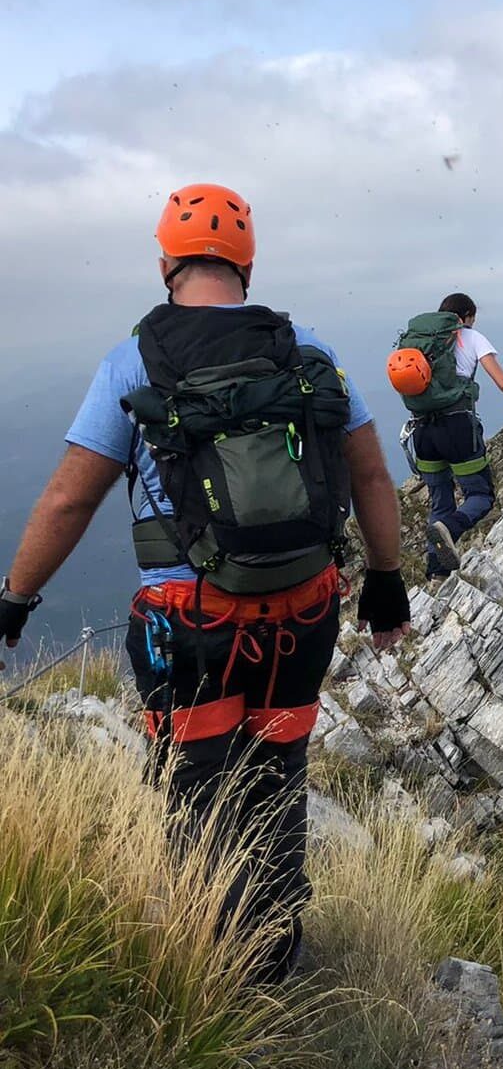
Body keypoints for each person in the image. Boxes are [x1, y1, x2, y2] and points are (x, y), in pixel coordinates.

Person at [0, 184, 412, 982]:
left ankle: (206, 977)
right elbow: (370, 472)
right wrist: (386, 580)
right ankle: (271, 959)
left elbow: (70, 496)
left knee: (197, 793)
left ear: (165, 264)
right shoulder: (309, 350)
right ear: (247, 264)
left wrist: (16, 597)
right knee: (275, 777)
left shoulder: (134, 361)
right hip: (304, 612)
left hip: (189, 626)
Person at [399, 292, 503, 577]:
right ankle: (450, 528)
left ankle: (437, 572)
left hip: (421, 431)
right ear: (467, 316)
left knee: (440, 501)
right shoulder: (470, 337)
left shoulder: (420, 342)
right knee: (481, 496)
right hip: (457, 428)